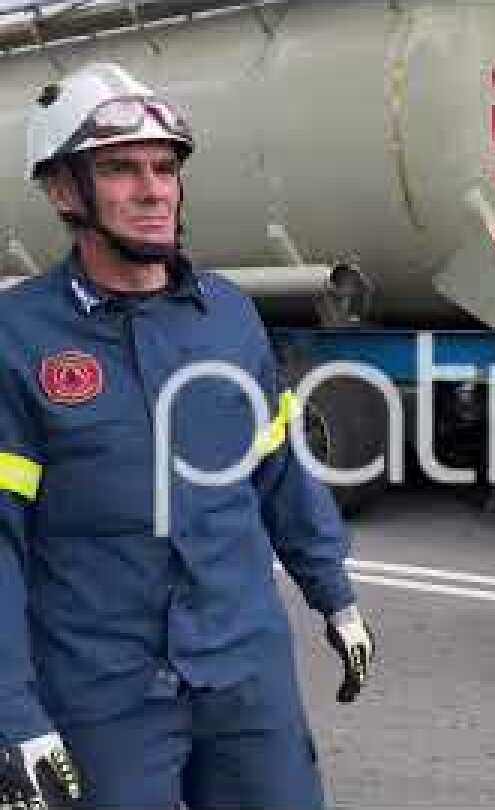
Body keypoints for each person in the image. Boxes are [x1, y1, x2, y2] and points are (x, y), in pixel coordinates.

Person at [0, 63, 374, 810]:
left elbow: (277, 471)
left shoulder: (230, 317)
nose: (152, 189)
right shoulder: (17, 339)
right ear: (63, 191)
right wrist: (12, 714)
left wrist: (334, 595)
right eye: (120, 169)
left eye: (164, 167)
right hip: (102, 692)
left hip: (244, 673)